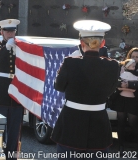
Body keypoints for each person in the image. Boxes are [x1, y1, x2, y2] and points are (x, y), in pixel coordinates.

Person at [51, 20, 120, 160]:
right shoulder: (113, 66)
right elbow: (110, 91)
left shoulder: (70, 62)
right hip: (99, 124)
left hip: (71, 123)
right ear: (102, 43)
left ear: (82, 43)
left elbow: (58, 86)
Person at [0, 19, 24, 160]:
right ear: (1, 32)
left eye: (12, 31)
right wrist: (6, 48)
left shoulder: (21, 47)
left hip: (16, 94)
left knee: (15, 133)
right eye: (7, 31)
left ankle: (12, 157)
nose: (10, 34)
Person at [111, 48, 138, 158]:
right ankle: (121, 145)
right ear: (129, 56)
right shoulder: (123, 66)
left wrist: (130, 85)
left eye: (137, 57)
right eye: (133, 56)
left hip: (135, 100)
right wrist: (120, 85)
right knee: (121, 123)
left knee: (133, 123)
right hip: (121, 99)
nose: (135, 59)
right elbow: (116, 79)